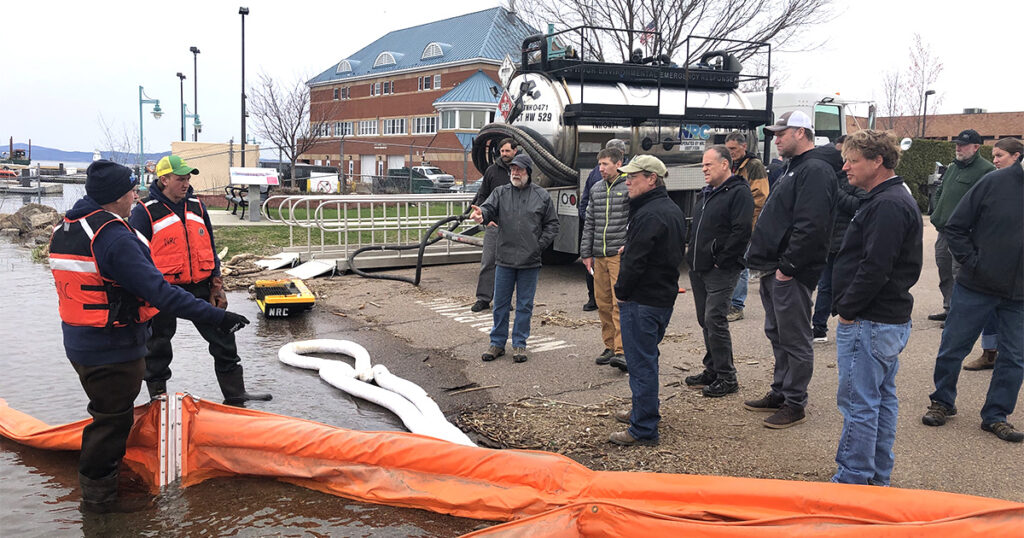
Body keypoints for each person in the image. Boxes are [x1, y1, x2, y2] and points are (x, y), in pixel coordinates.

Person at [49, 160, 251, 513]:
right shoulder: (112, 236)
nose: (134, 195)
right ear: (115, 196)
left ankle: (106, 488)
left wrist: (214, 287)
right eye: (129, 189)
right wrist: (218, 316)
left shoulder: (68, 227)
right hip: (111, 348)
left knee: (109, 416)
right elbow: (160, 292)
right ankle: (99, 506)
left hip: (82, 343)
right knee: (112, 422)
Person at [129, 155, 271, 406]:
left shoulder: (196, 205)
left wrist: (218, 286)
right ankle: (158, 402)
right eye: (180, 179)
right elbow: (135, 257)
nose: (186, 184)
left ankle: (236, 394)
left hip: (200, 286)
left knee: (224, 336)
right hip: (162, 290)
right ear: (164, 180)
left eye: (188, 179)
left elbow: (210, 246)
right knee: (157, 346)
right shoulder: (144, 212)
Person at [828, 130, 922, 485]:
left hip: (871, 320)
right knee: (880, 401)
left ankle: (854, 479)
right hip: (884, 319)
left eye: (852, 160)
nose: (845, 166)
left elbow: (875, 267)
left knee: (860, 404)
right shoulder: (886, 199)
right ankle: (876, 476)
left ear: (877, 161)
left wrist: (848, 310)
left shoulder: (887, 204)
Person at [922, 137, 1023, 443]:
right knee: (954, 346)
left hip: (1019, 295)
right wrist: (974, 263)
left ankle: (995, 415)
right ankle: (942, 401)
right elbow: (955, 226)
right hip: (977, 285)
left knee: (1015, 357)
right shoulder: (995, 181)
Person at [743, 110, 837, 429]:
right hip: (773, 267)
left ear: (801, 132)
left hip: (790, 271)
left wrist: (789, 267)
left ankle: (795, 403)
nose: (776, 138)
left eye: (782, 133)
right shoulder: (792, 168)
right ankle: (780, 391)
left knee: (795, 337)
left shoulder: (815, 170)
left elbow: (811, 226)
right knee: (777, 333)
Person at [608, 155, 686, 446]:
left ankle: (643, 428)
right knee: (646, 360)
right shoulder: (668, 209)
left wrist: (622, 291)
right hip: (660, 297)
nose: (627, 182)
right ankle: (642, 411)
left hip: (643, 300)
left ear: (652, 179)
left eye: (633, 177)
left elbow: (637, 261)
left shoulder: (649, 214)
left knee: (641, 364)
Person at [470, 154, 559, 363]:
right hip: (505, 259)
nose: (515, 173)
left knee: (524, 305)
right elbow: (488, 208)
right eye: (513, 169)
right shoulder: (501, 193)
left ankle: (519, 344)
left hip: (530, 261)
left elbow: (553, 224)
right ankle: (497, 343)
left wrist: (538, 246)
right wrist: (481, 214)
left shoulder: (542, 196)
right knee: (500, 303)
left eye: (519, 170)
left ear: (528, 172)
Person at [684, 146, 753, 397]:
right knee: (705, 320)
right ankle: (712, 369)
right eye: (702, 165)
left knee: (715, 320)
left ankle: (727, 377)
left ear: (725, 164)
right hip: (698, 267)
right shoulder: (707, 194)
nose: (704, 169)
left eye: (708, 165)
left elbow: (742, 231)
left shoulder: (738, 192)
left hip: (720, 270)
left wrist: (721, 260)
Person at [961, 138, 1023, 371]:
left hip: (1016, 280)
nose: (995, 160)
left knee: (1014, 348)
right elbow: (962, 219)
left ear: (1016, 156)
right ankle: (989, 353)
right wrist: (973, 260)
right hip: (987, 270)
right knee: (987, 317)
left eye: (1000, 156)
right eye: (994, 156)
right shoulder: (991, 180)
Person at [926, 129, 995, 323]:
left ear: (976, 147)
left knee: (959, 273)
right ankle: (949, 307)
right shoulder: (953, 167)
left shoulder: (986, 170)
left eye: (963, 145)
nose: (958, 148)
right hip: (944, 230)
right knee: (944, 269)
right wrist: (936, 211)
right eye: (957, 144)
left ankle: (959, 313)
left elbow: (983, 203)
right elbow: (941, 191)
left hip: (964, 233)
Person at [810, 136, 868, 343]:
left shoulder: (853, 182)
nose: (845, 164)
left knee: (849, 285)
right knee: (825, 286)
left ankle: (852, 324)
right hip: (829, 241)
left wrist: (837, 194)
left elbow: (860, 204)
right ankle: (818, 327)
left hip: (847, 242)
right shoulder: (828, 179)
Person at [580, 147, 629, 366]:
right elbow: (589, 221)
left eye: (605, 164)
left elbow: (635, 220)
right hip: (598, 255)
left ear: (618, 164)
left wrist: (629, 244)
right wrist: (586, 253)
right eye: (599, 164)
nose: (601, 168)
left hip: (618, 255)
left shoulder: (628, 187)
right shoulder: (597, 188)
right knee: (603, 302)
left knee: (620, 303)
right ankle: (609, 345)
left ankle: (622, 350)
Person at [723, 131, 768, 322]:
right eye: (727, 149)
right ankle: (730, 302)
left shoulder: (754, 165)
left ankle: (737, 305)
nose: (730, 152)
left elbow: (761, 195)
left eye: (733, 148)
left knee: (741, 264)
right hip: (733, 222)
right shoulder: (732, 166)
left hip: (747, 222)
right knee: (733, 262)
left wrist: (745, 217)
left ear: (744, 146)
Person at [470, 138, 517, 312]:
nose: (504, 154)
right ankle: (483, 298)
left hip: (513, 227)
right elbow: (482, 195)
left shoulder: (519, 171)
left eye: (507, 151)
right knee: (488, 261)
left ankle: (504, 299)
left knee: (509, 264)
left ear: (515, 151)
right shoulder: (492, 171)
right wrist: (485, 215)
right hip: (493, 224)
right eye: (502, 151)